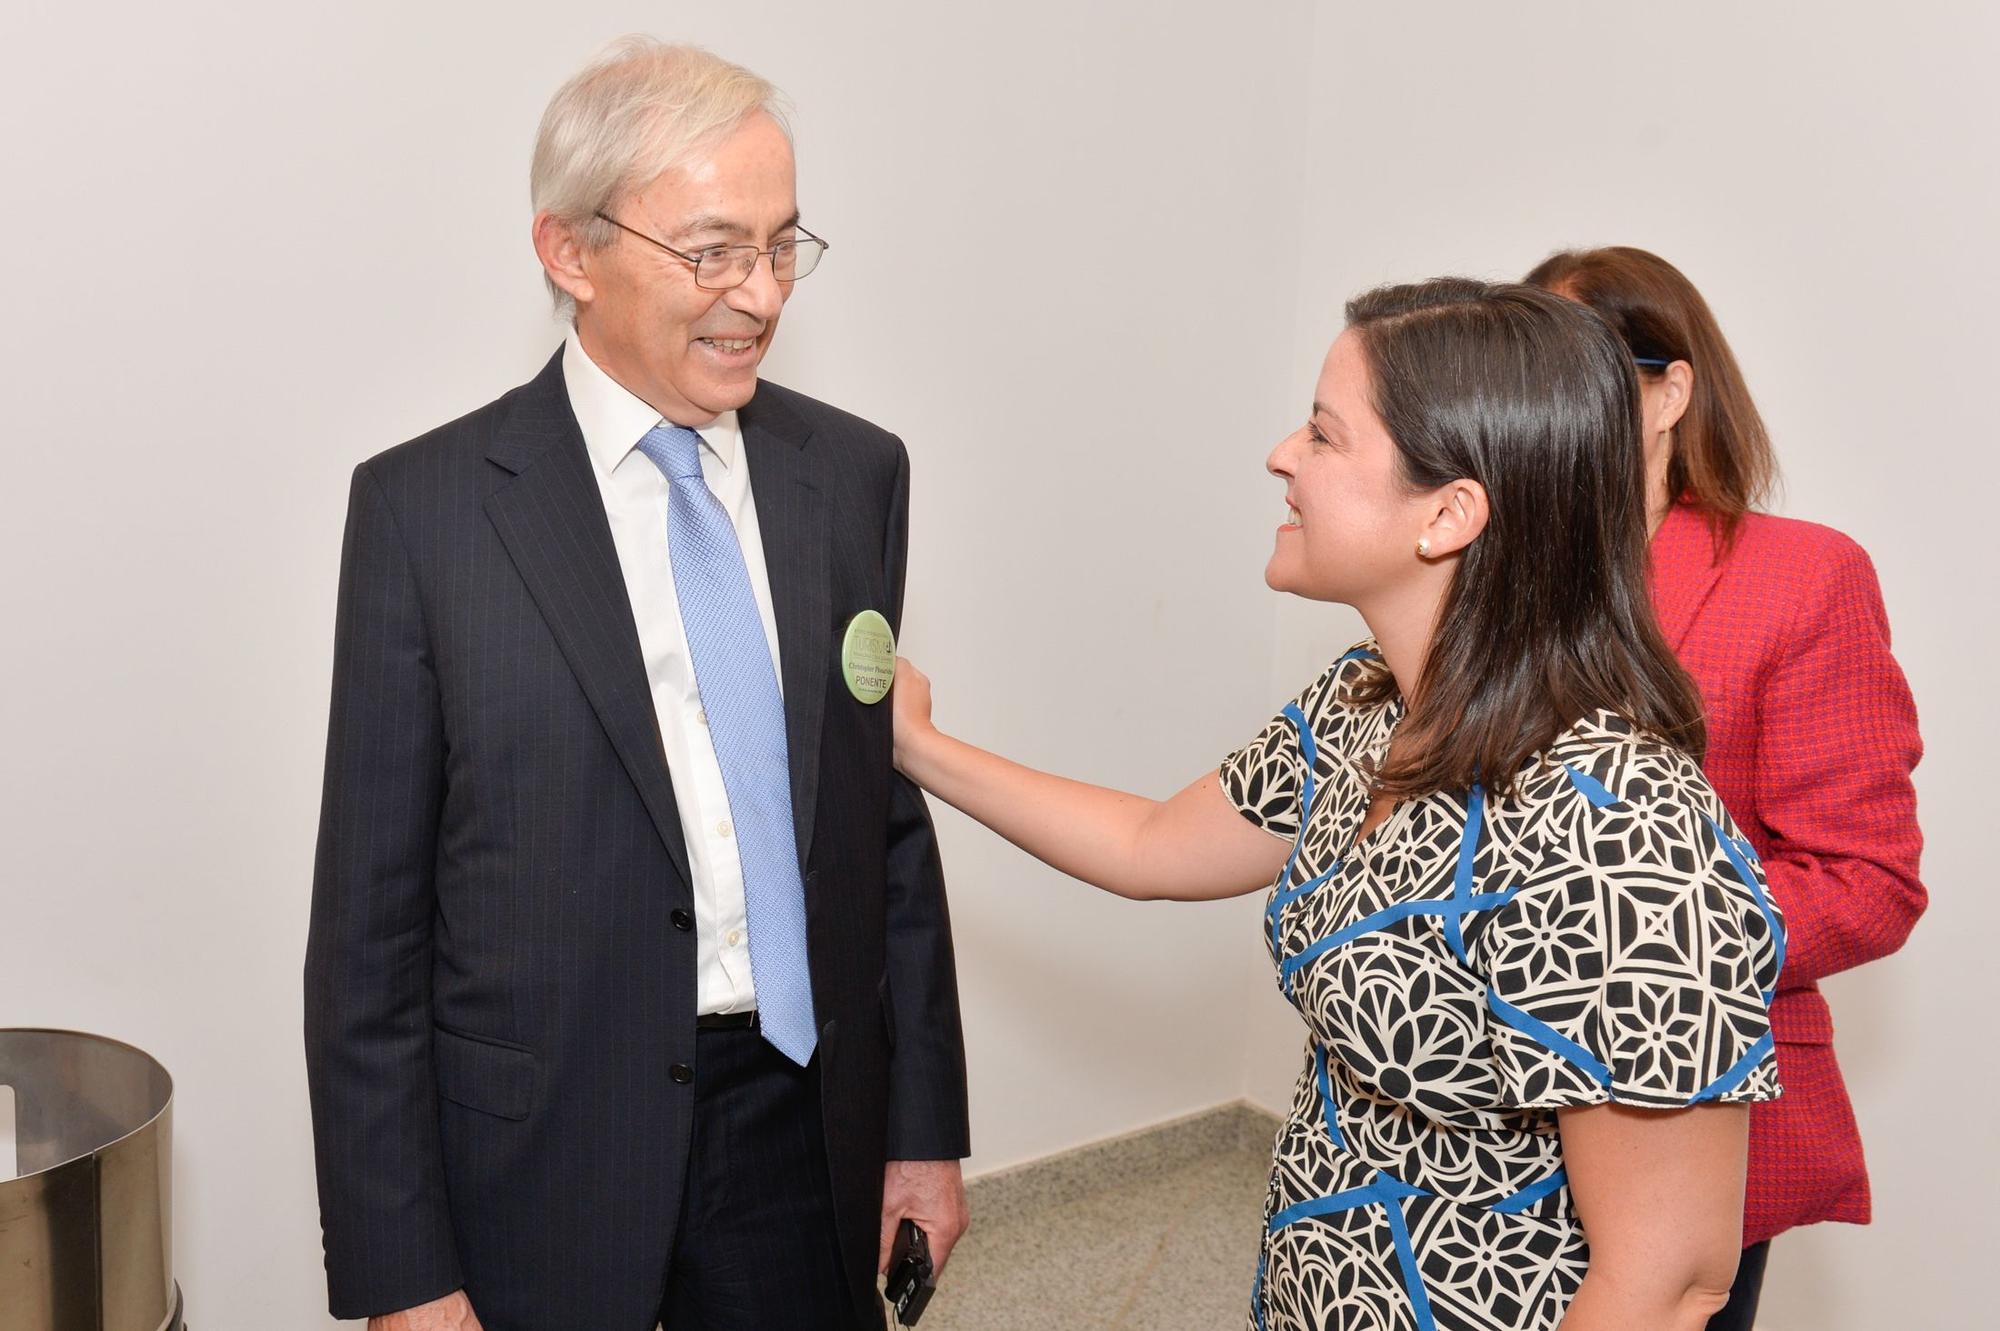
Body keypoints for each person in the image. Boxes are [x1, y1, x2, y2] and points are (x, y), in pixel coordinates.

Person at [893, 278, 1784, 1331]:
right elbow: (1147, 844)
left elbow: (1666, 1280)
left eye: (1323, 434)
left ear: (1448, 512)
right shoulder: (1363, 704)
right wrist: (918, 748)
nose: (1281, 455)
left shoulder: (1615, 825)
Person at [304, 38, 969, 1331]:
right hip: (542, 1152)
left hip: (801, 1120)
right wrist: (405, 1271)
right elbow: (367, 938)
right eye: (714, 249)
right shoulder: (425, 514)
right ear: (569, 251)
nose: (762, 294)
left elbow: (878, 830)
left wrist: (922, 1127)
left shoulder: (853, 477)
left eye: (783, 245)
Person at [1526, 246, 1926, 1331]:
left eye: (1585, 365)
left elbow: (1864, 878)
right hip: (1482, 1106)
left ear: (1670, 389)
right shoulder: (1481, 572)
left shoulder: (1801, 576)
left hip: (1689, 1100)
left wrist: (1627, 945)